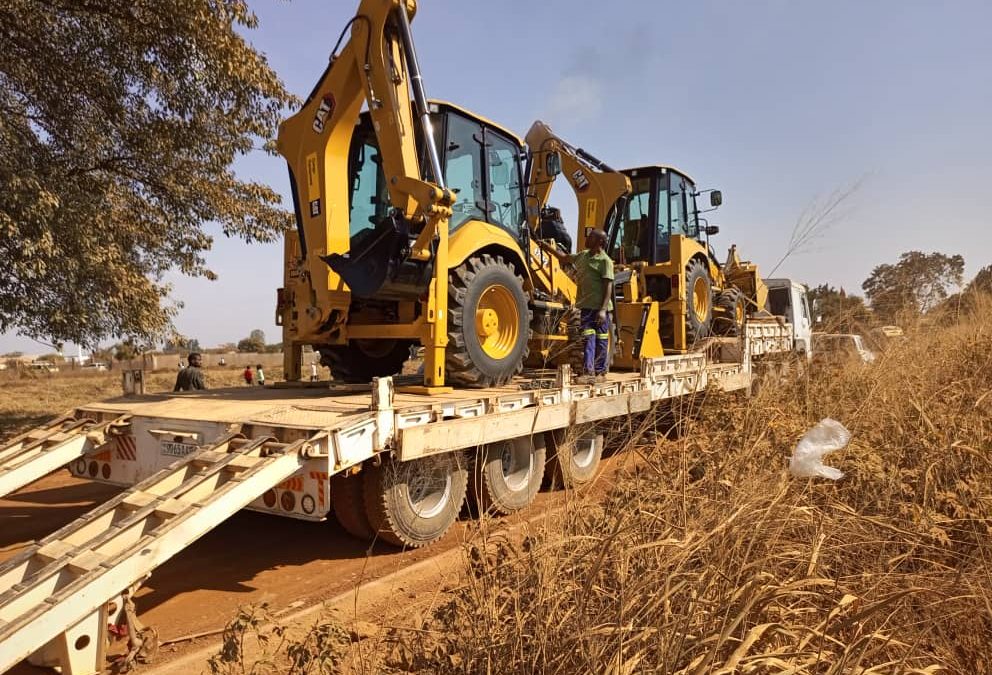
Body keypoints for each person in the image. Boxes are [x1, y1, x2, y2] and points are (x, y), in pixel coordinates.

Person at [544, 228, 614, 383]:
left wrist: (602, 310)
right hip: (586, 308)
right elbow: (564, 258)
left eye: (591, 237)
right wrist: (547, 247)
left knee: (601, 340)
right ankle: (589, 373)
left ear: (600, 242)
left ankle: (600, 373)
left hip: (600, 309)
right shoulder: (583, 255)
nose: (587, 239)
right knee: (588, 339)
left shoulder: (605, 262)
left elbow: (608, 286)